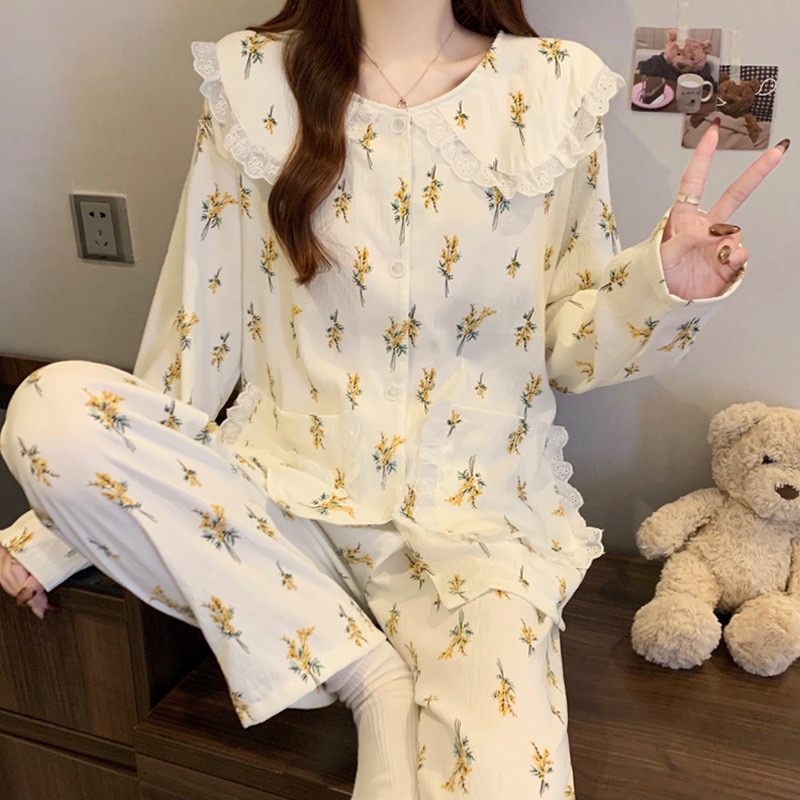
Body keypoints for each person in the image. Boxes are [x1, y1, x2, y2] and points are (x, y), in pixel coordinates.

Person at [0, 1, 786, 797]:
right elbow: (197, 330)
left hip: (476, 532)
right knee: (48, 411)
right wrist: (57, 533)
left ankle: (368, 673)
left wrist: (661, 289)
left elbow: (566, 351)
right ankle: (364, 674)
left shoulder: (553, 87)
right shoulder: (252, 78)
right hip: (277, 513)